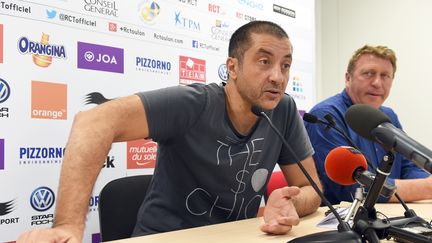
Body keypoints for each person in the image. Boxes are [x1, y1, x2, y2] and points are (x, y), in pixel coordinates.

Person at [18, 21, 321, 242]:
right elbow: (93, 121)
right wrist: (68, 226)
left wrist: (289, 204)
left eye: (286, 66)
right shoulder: (194, 103)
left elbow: (312, 191)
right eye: (264, 61)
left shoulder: (282, 110)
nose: (277, 77)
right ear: (233, 67)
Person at [305, 45, 432, 205]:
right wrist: (426, 188)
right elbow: (350, 190)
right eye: (368, 74)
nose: (377, 83)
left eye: (385, 75)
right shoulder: (325, 116)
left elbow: (408, 168)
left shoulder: (389, 116)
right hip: (343, 221)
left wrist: (426, 182)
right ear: (348, 78)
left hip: (388, 215)